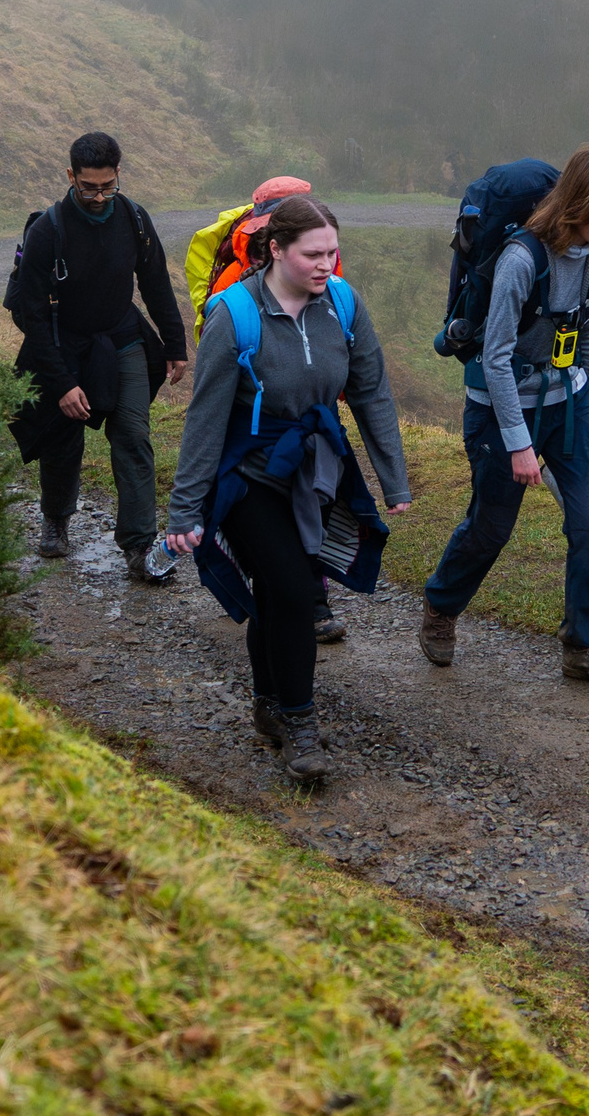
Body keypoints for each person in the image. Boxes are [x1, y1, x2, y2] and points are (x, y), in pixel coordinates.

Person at [164, 196, 411, 781]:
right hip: (249, 475)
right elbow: (205, 417)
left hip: (315, 470)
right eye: (313, 254)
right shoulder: (234, 314)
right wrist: (185, 511)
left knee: (278, 595)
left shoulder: (344, 305)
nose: (327, 265)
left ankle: (268, 704)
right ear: (276, 250)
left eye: (333, 252)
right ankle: (301, 725)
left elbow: (372, 390)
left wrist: (392, 477)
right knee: (297, 593)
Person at [419, 144, 589, 687]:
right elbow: (493, 358)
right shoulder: (521, 259)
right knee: (491, 528)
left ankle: (584, 647)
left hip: (571, 403)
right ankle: (440, 607)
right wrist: (518, 442)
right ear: (577, 202)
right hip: (500, 408)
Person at [5, 131, 190, 573]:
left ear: (119, 174)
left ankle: (139, 545)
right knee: (62, 439)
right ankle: (55, 520)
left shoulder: (134, 219)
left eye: (109, 185)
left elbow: (155, 283)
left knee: (131, 435)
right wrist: (63, 383)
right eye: (89, 187)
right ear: (71, 176)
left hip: (121, 338)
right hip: (62, 344)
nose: (100, 196)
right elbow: (32, 316)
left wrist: (175, 343)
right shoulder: (48, 230)